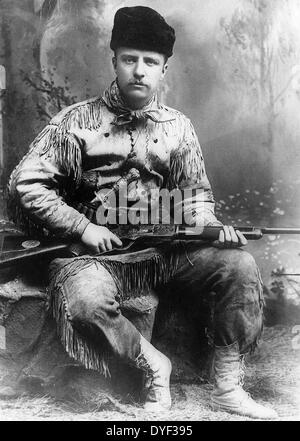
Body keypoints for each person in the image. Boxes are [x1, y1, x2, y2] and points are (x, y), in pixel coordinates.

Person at [7, 6, 277, 419]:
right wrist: (81, 226)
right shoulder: (75, 122)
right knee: (84, 303)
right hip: (92, 254)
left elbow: (194, 197)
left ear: (164, 69)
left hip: (161, 246)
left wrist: (209, 228)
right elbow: (27, 184)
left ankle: (226, 384)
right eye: (129, 59)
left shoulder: (177, 128)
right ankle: (153, 365)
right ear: (114, 60)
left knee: (238, 266)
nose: (139, 70)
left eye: (150, 62)